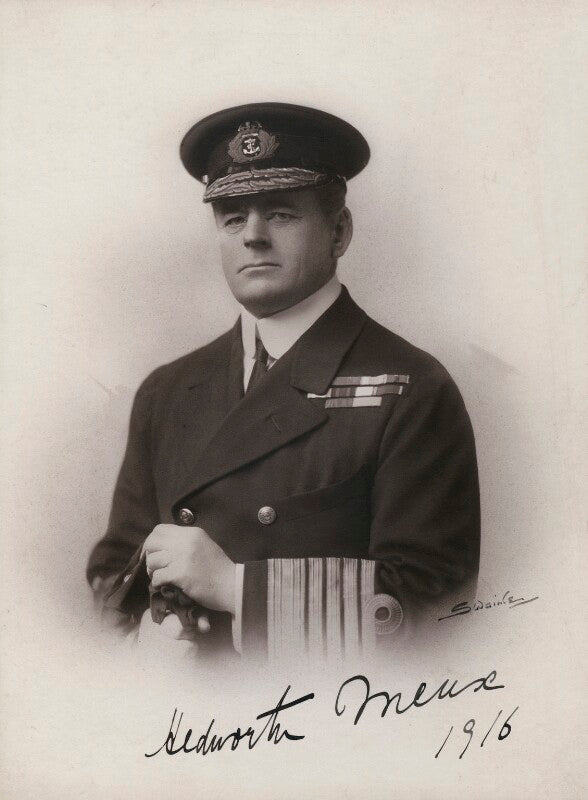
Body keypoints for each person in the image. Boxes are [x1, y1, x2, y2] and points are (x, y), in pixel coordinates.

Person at [86, 102, 480, 662]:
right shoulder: (167, 391)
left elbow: (436, 607)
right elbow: (113, 572)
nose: (253, 236)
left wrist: (236, 589)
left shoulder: (410, 387)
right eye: (232, 217)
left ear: (338, 231)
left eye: (280, 213)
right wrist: (139, 640)